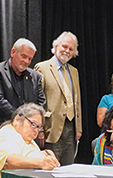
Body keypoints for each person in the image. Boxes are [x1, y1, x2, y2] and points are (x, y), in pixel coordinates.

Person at [34, 31, 82, 165]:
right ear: (56, 46)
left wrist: (79, 128)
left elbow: (77, 101)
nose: (67, 51)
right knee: (51, 167)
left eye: (71, 49)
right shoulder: (42, 68)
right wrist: (39, 129)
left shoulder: (74, 71)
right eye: (64, 46)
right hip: (51, 128)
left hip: (71, 129)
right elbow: (37, 101)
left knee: (69, 168)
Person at [0, 38, 46, 132]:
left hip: (27, 130)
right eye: (24, 56)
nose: (26, 61)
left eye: (30, 59)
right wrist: (21, 118)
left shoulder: (35, 76)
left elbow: (41, 103)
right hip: (0, 127)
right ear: (13, 52)